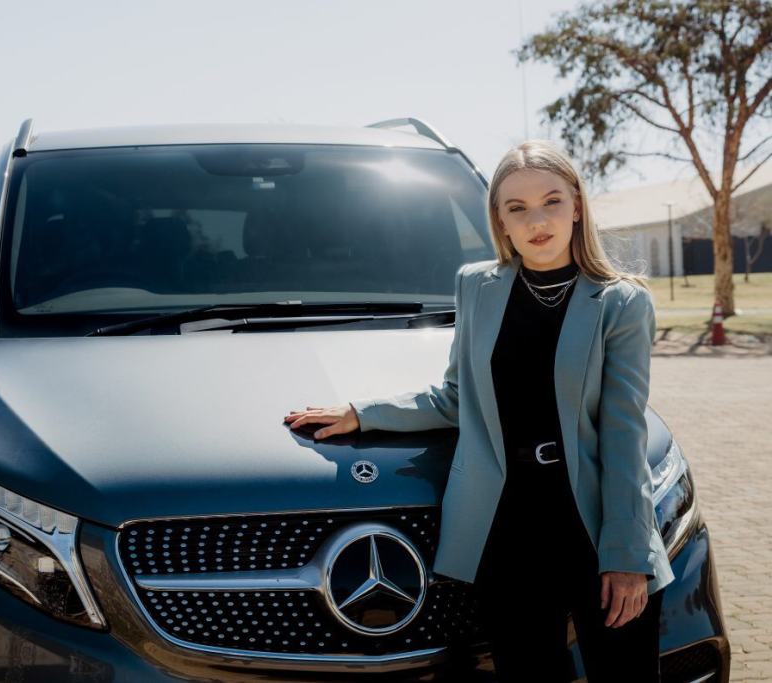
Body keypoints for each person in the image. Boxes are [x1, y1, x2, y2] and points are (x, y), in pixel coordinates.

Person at [283, 139, 673, 682]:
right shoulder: (477, 287)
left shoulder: (621, 302)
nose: (537, 221)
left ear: (577, 206)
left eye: (552, 201)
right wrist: (363, 412)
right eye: (518, 208)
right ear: (500, 220)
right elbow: (456, 397)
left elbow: (624, 433)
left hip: (593, 524)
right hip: (506, 529)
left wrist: (627, 554)